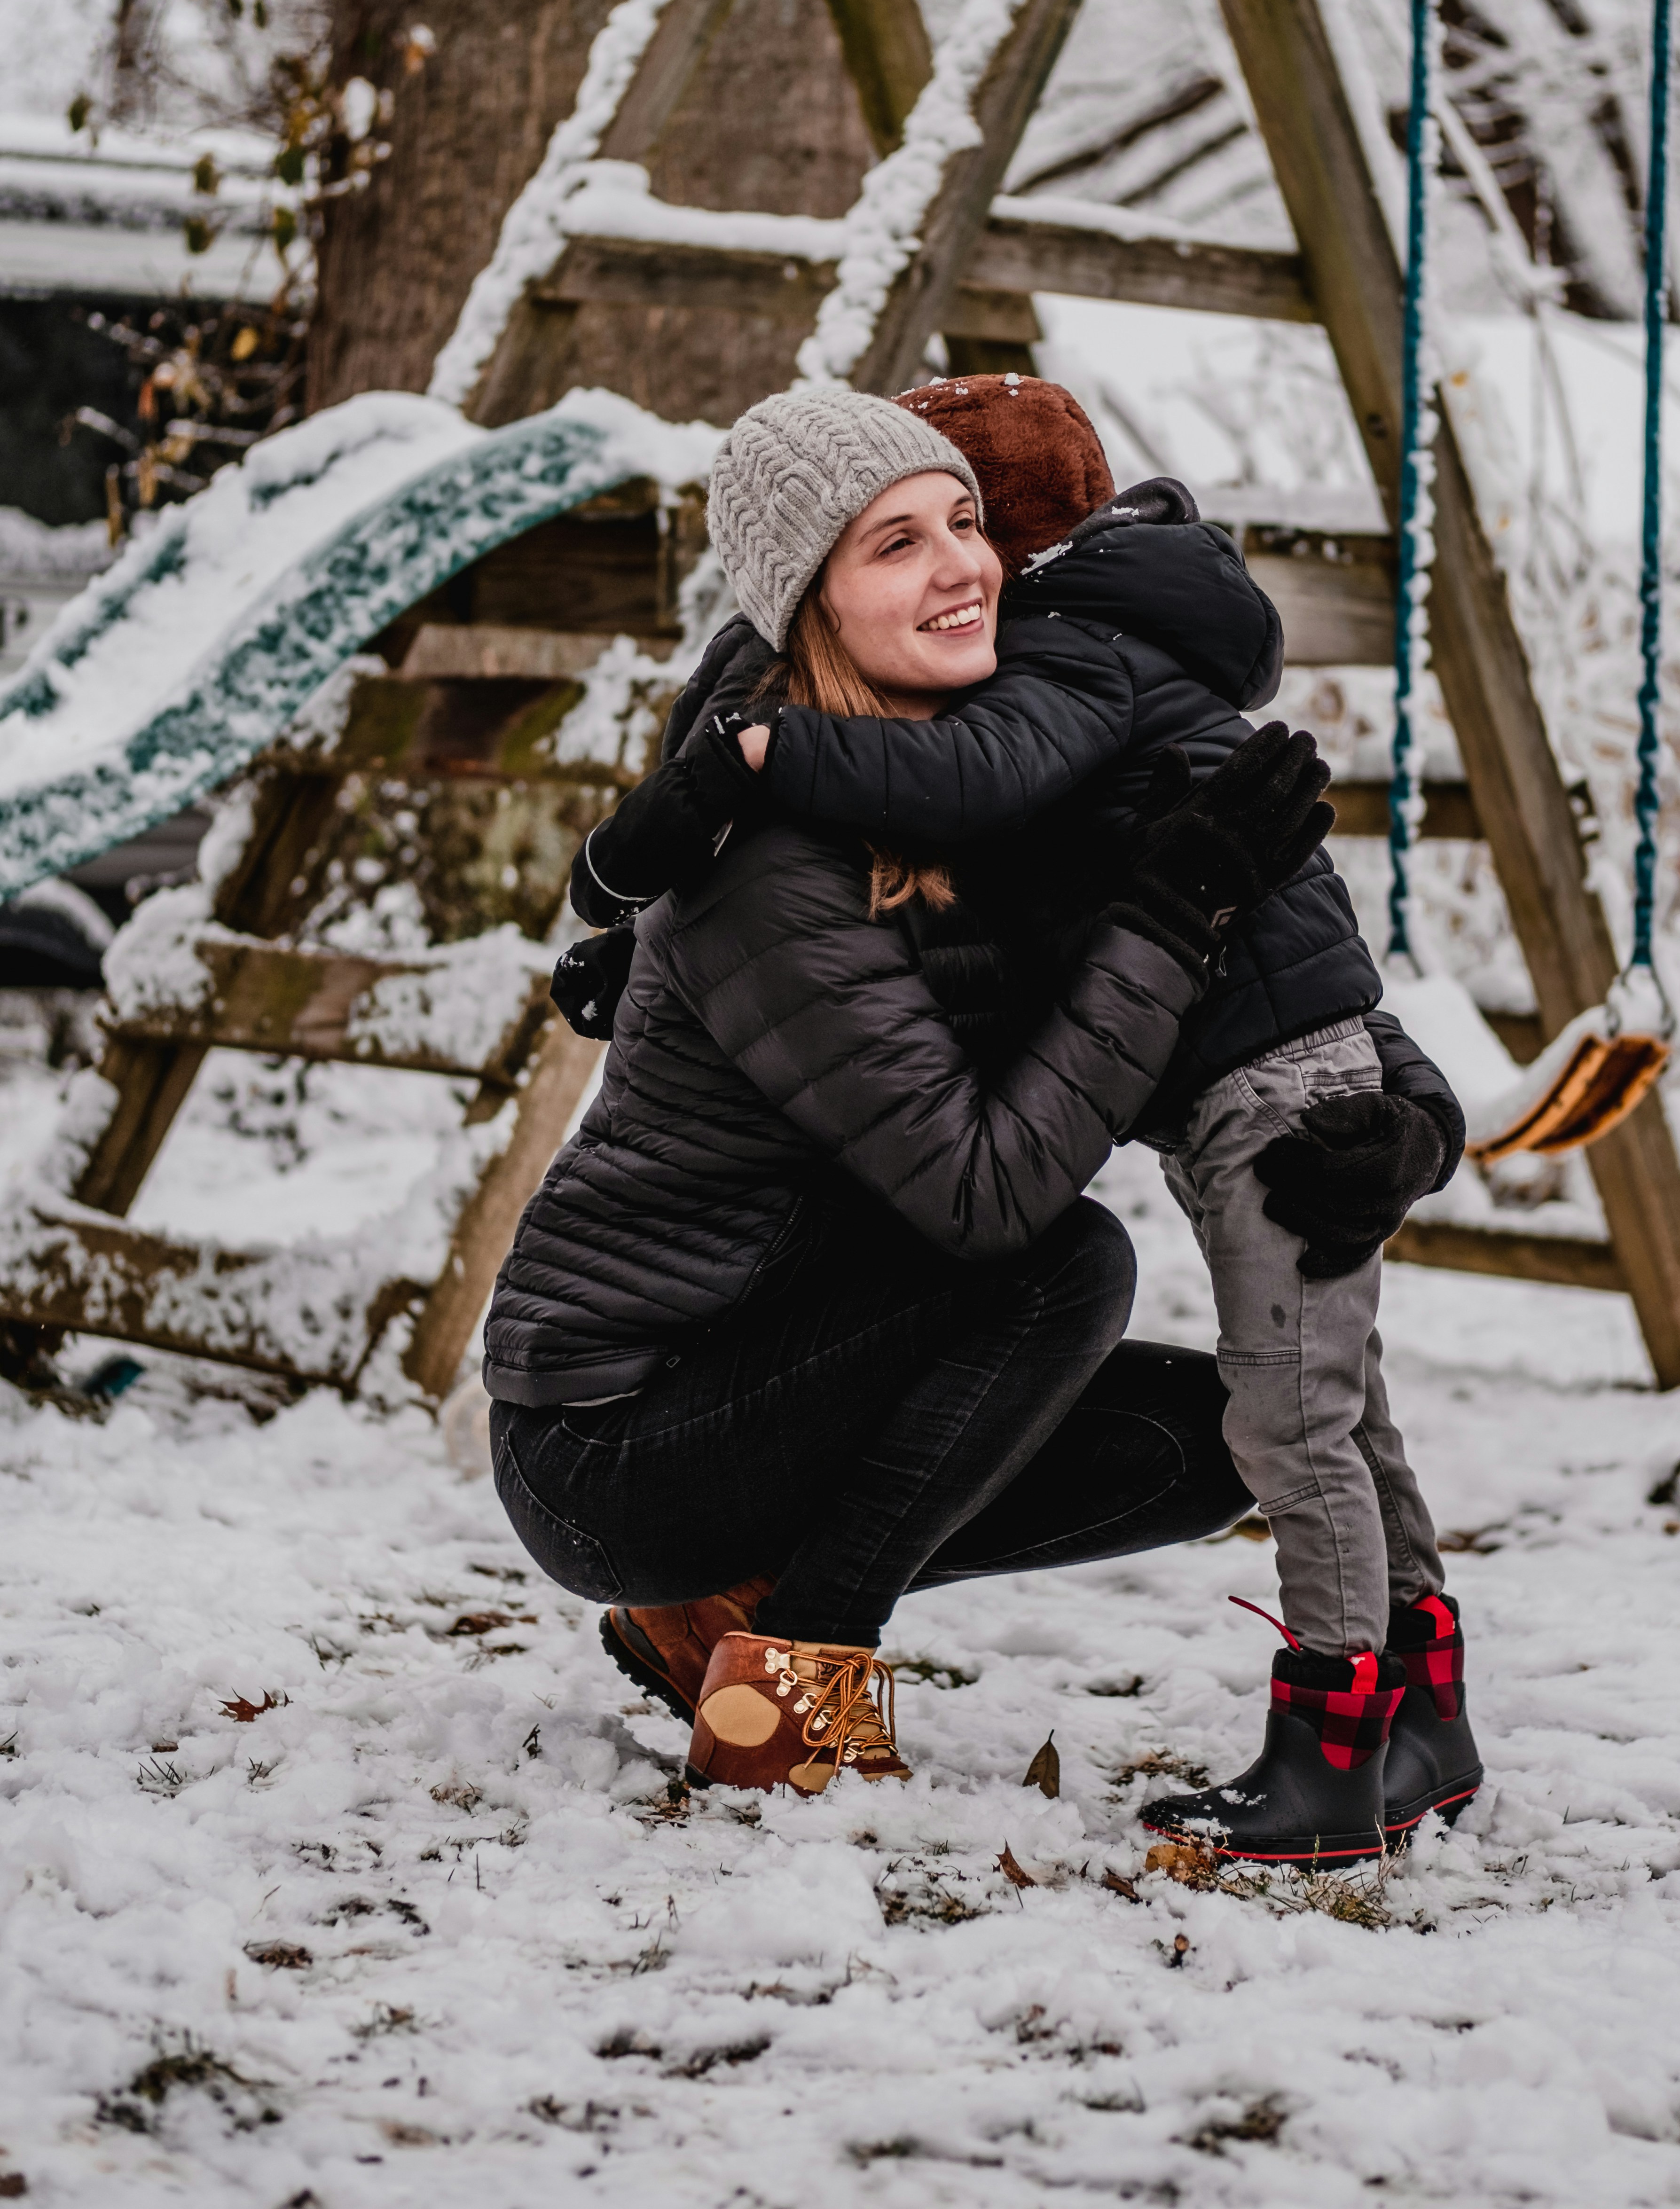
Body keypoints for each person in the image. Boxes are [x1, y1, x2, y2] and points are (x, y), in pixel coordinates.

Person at [563, 375, 1483, 1861]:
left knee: (1267, 1419)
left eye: (970, 525)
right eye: (898, 543)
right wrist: (649, 876)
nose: (964, 567)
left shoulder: (1049, 720)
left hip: (887, 1284)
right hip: (650, 1407)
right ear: (810, 600)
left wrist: (1416, 1119)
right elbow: (995, 1158)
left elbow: (1304, 969)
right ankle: (771, 1642)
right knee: (1140, 1310)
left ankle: (1390, 1727)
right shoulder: (877, 780)